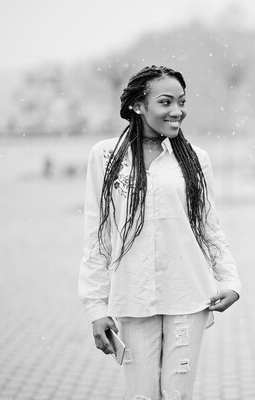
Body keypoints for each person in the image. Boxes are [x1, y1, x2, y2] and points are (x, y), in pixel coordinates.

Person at [78, 65, 241, 400]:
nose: (177, 111)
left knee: (177, 395)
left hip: (189, 295)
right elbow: (97, 237)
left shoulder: (195, 159)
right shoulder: (107, 158)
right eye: (166, 102)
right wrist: (96, 308)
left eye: (181, 101)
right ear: (139, 105)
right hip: (133, 297)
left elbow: (209, 228)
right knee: (141, 396)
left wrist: (229, 281)